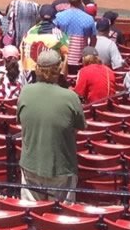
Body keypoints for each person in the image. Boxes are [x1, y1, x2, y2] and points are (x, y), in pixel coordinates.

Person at [17, 48, 84, 203]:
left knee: (31, 216)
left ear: (37, 69)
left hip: (31, 166)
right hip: (62, 167)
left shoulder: (25, 92)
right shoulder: (70, 97)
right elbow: (78, 127)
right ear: (59, 69)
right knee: (61, 219)